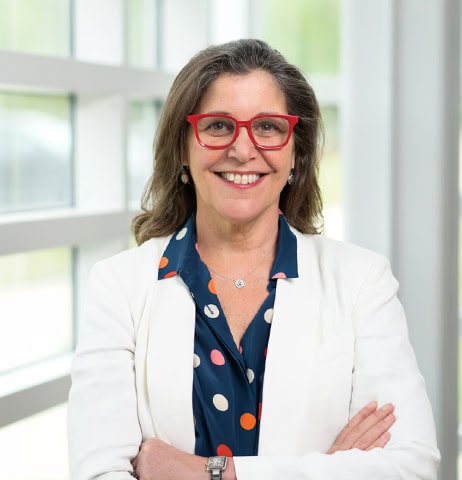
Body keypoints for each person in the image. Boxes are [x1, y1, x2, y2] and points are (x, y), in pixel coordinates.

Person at [68, 39, 440, 480]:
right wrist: (328, 467)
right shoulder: (118, 287)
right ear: (183, 150)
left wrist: (211, 473)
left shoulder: (362, 282)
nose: (243, 150)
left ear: (295, 153)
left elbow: (412, 464)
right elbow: (98, 473)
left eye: (267, 127)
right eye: (219, 126)